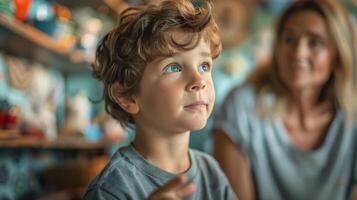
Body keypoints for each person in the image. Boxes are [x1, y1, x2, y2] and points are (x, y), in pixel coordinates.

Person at [83, 0, 237, 199]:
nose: (199, 81)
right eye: (174, 67)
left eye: (204, 66)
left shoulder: (211, 171)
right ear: (127, 96)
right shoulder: (111, 189)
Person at [213, 0, 357, 200]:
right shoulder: (241, 107)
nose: (299, 53)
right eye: (289, 39)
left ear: (337, 56)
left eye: (315, 42)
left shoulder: (351, 118)